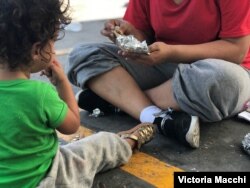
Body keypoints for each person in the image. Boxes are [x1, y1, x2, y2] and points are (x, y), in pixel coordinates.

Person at [0, 0, 156, 187]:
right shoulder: (39, 94)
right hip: (45, 179)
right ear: (36, 51)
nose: (54, 50)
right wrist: (61, 82)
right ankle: (128, 142)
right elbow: (72, 124)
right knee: (98, 146)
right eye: (52, 42)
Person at [67, 0, 250, 149]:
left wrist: (172, 52)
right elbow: (146, 38)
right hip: (166, 66)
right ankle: (155, 117)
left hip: (219, 70)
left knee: (222, 81)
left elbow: (236, 51)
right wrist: (127, 36)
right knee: (83, 54)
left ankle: (119, 101)